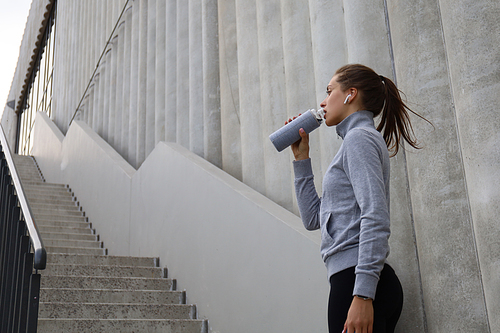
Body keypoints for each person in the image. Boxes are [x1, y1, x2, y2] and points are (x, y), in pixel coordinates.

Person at [289, 64, 426, 333]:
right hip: (353, 280)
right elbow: (313, 218)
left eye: (329, 91)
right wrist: (301, 158)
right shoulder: (354, 141)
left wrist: (362, 295)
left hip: (357, 282)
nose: (323, 101)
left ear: (350, 94)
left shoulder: (359, 139)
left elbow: (375, 216)